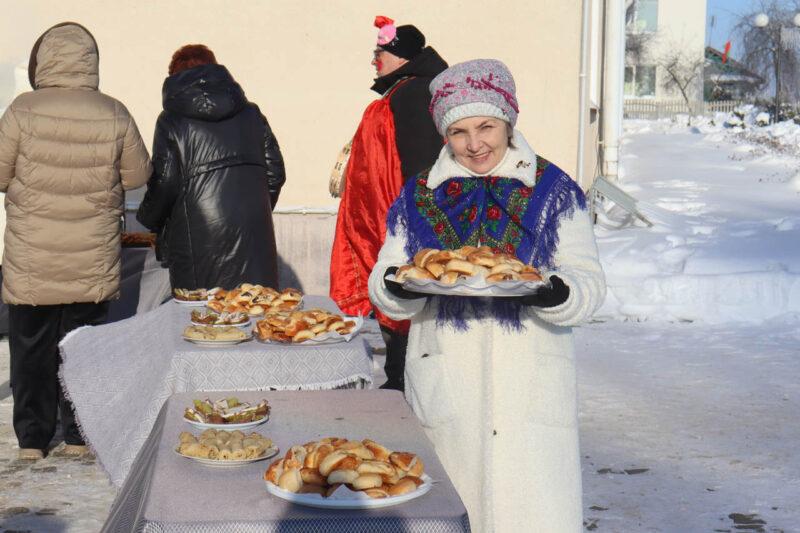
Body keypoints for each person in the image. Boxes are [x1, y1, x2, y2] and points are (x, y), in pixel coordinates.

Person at [368, 59, 606, 531]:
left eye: (486, 127)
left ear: (508, 122)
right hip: (446, 383)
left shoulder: (554, 190)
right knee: (448, 510)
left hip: (530, 386)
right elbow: (386, 276)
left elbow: (589, 281)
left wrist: (556, 293)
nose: (474, 144)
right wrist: (395, 284)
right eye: (458, 132)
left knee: (531, 514)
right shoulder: (419, 195)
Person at [0, 22, 152, 460]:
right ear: (91, 62)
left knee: (30, 348)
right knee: (82, 347)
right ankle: (78, 435)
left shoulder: (22, 110)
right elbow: (138, 175)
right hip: (91, 254)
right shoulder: (113, 111)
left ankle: (32, 440)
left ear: (43, 61)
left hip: (33, 255)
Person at [330, 16, 447, 390]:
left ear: (400, 56)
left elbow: (420, 165)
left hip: (399, 223)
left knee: (402, 299)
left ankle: (402, 382)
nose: (373, 59)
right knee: (392, 299)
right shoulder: (405, 90)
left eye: (378, 53)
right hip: (383, 219)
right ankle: (399, 376)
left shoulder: (414, 93)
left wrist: (414, 223)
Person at [137, 44, 285, 291]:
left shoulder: (171, 121)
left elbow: (166, 182)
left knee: (201, 313)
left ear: (175, 77)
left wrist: (147, 217)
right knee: (258, 308)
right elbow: (275, 173)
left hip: (198, 241)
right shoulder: (251, 115)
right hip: (253, 238)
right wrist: (250, 211)